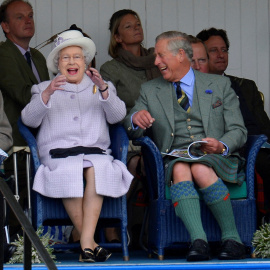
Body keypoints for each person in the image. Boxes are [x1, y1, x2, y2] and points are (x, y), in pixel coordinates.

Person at [124, 31, 248, 261]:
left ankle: (232, 238)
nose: (156, 61)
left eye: (161, 55)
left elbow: (239, 130)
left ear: (181, 55)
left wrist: (221, 145)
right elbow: (131, 126)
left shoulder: (219, 84)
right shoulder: (150, 90)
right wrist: (135, 118)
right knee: (182, 168)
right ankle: (198, 241)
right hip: (175, 156)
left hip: (216, 156)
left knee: (200, 168)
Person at [21, 29, 133, 263]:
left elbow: (118, 116)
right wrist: (49, 94)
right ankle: (90, 244)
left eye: (77, 57)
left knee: (96, 167)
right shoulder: (42, 88)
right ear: (58, 64)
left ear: (86, 62)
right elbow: (29, 121)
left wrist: (103, 90)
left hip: (96, 153)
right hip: (58, 155)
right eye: (65, 58)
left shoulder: (102, 86)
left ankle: (84, 243)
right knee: (69, 170)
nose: (72, 62)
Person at [100, 9, 160, 245]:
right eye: (128, 26)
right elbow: (109, 110)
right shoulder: (110, 69)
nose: (136, 27)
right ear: (117, 38)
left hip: (163, 134)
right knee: (137, 163)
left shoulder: (159, 60)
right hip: (129, 137)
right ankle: (114, 224)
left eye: (137, 23)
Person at [197, 27, 270, 221]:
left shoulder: (246, 86)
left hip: (257, 145)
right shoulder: (197, 88)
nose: (221, 55)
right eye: (213, 50)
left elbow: (264, 126)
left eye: (224, 50)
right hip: (227, 150)